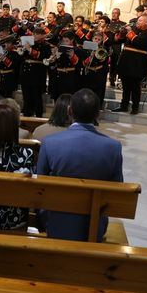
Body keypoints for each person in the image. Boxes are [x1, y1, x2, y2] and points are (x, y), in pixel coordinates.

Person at [37, 89, 123, 242]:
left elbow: (39, 188)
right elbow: (117, 193)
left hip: (55, 223)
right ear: (98, 115)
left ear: (69, 111)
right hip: (94, 226)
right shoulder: (113, 147)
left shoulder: (50, 143)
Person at [112, 15, 147, 115]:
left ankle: (135, 107)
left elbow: (138, 42)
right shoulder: (134, 30)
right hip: (126, 62)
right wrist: (120, 34)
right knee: (125, 86)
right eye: (138, 20)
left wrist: (129, 31)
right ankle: (124, 106)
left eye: (140, 20)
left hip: (137, 64)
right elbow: (121, 40)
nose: (137, 22)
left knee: (135, 87)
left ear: (146, 23)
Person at [19, 27, 51, 117]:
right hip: (26, 73)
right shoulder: (30, 43)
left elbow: (43, 56)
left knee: (37, 97)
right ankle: (26, 115)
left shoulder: (46, 45)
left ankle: (38, 116)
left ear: (42, 35)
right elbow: (22, 57)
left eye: (36, 34)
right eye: (34, 34)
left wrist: (30, 49)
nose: (34, 36)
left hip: (37, 74)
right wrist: (23, 49)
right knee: (26, 97)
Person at [108, 8, 126, 87]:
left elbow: (124, 37)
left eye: (116, 13)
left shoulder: (123, 24)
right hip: (108, 44)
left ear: (119, 14)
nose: (114, 14)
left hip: (117, 45)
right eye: (113, 13)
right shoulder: (108, 23)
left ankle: (113, 78)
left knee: (115, 62)